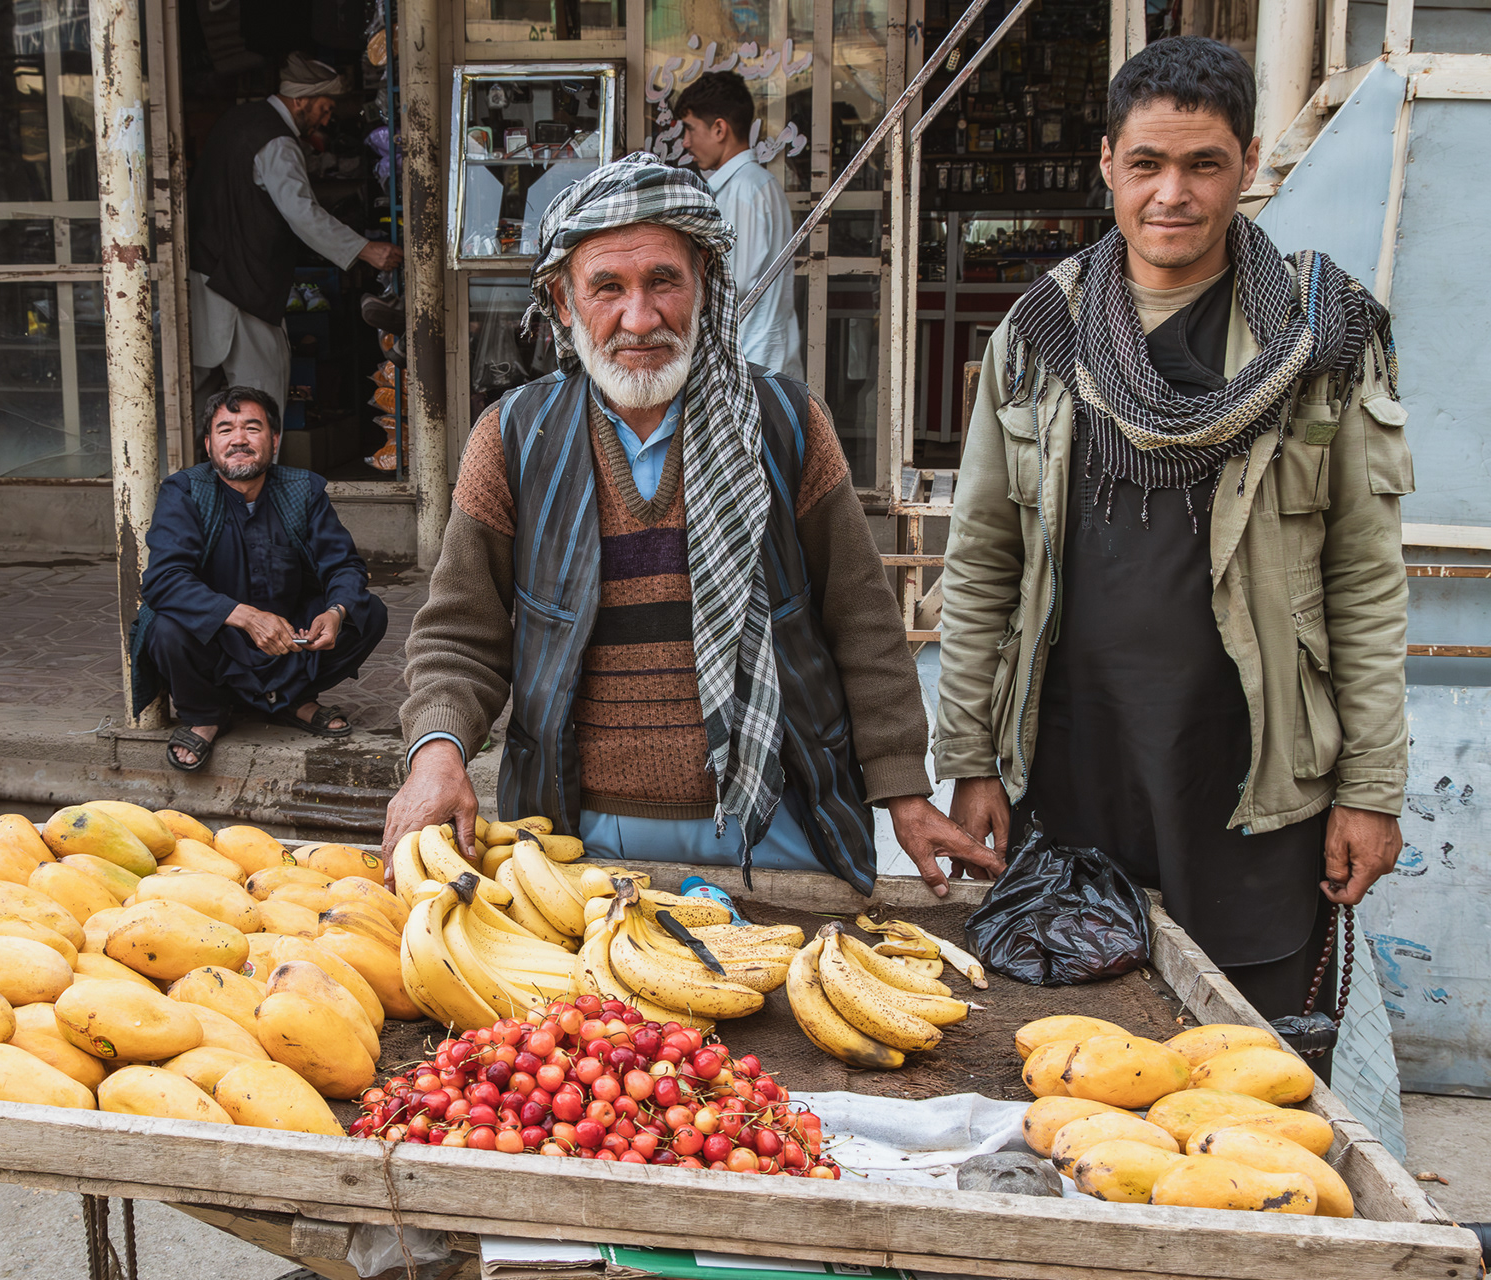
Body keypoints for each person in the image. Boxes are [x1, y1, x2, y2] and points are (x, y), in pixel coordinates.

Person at [935, 38, 1410, 1034]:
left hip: (1251, 784)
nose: (1173, 195)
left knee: (1254, 1074)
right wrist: (971, 756)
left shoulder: (1324, 340)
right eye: (1148, 163)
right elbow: (983, 558)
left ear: (1246, 163)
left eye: (1204, 165)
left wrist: (1370, 789)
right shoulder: (1040, 337)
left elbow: (1366, 576)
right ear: (1107, 161)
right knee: (1078, 1067)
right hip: (1069, 773)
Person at [386, 152, 1000, 896]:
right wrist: (437, 752)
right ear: (562, 300)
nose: (638, 318)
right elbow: (459, 631)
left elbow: (860, 619)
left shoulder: (786, 423)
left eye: (663, 282)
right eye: (607, 287)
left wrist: (904, 787)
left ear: (704, 282)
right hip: (578, 835)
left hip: (774, 820)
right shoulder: (515, 438)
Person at [131, 387, 390, 771]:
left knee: (367, 612)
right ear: (208, 445)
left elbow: (344, 566)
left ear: (274, 441)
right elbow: (164, 579)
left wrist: (335, 612)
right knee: (165, 627)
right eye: (225, 430)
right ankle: (206, 714)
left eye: (252, 428)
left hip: (290, 636)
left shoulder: (303, 491)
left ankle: (291, 699)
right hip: (218, 638)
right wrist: (246, 617)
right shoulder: (184, 491)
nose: (239, 439)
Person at [188, 53, 404, 417]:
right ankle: (254, 473)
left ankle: (196, 471)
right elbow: (302, 213)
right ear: (300, 100)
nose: (327, 116)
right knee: (262, 391)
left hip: (208, 270)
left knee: (197, 395)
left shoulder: (238, 119)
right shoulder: (277, 141)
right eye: (323, 107)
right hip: (242, 284)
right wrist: (365, 250)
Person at [672, 72, 803, 380]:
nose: (686, 142)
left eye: (690, 129)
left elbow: (733, 280)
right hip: (755, 354)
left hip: (752, 357)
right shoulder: (750, 185)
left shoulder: (745, 189)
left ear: (719, 129)